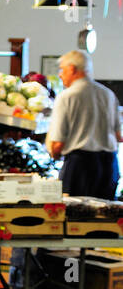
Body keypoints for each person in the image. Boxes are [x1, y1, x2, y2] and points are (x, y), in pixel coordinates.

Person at [46, 50, 122, 199]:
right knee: (105, 217)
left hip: (79, 167)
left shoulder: (67, 96)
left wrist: (54, 154)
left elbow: (57, 144)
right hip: (109, 166)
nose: (60, 74)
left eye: (62, 69)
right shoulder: (108, 94)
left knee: (76, 218)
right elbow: (119, 136)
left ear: (73, 69)